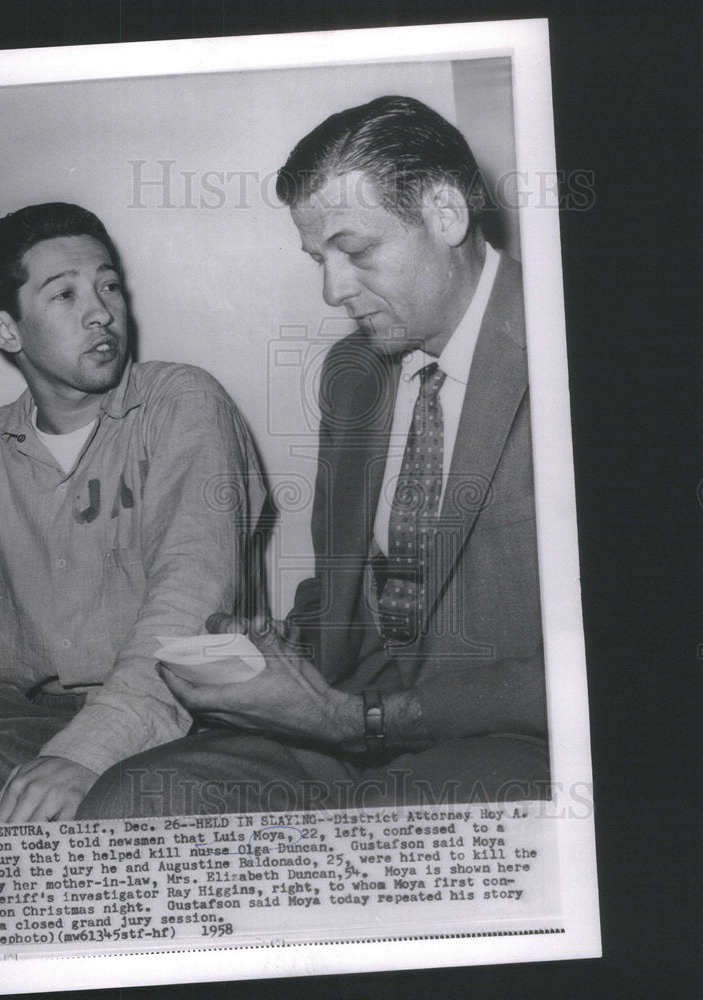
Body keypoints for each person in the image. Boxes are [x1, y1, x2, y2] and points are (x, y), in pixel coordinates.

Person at [78, 96, 548, 817]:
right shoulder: (354, 374)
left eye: (355, 251)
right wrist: (272, 650)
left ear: (447, 214)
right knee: (128, 803)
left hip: (511, 740)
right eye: (318, 259)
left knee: (385, 839)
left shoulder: (566, 350)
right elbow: (349, 585)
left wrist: (359, 720)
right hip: (345, 715)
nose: (333, 290)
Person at [0, 202, 266, 824]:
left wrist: (87, 753)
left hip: (196, 726)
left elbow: (192, 598)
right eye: (65, 294)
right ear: (6, 330)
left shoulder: (182, 401)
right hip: (27, 734)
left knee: (116, 807)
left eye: (109, 286)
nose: (102, 312)